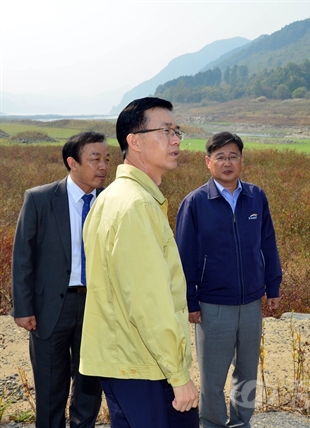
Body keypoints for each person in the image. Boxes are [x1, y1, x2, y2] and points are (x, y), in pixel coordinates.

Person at [79, 97, 199, 428]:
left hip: (126, 360)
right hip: (146, 366)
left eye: (177, 131)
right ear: (135, 141)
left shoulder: (111, 198)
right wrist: (177, 374)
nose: (176, 139)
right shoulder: (135, 206)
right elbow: (148, 301)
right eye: (166, 131)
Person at [176, 132, 282, 428]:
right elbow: (184, 256)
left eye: (233, 156)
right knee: (213, 376)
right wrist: (190, 300)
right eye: (220, 157)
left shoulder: (255, 196)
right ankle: (211, 424)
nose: (227, 162)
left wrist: (272, 286)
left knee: (247, 374)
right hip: (213, 305)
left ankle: (240, 422)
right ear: (208, 162)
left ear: (241, 160)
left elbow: (268, 243)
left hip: (250, 302)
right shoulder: (195, 203)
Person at [11, 131, 108, 428]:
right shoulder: (40, 198)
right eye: (95, 159)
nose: (103, 166)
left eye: (107, 159)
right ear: (72, 162)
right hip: (50, 306)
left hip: (97, 306)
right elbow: (23, 255)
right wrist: (23, 308)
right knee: (50, 386)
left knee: (89, 385)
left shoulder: (111, 201)